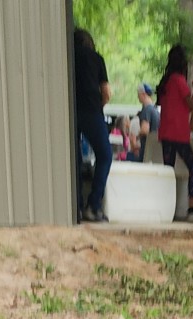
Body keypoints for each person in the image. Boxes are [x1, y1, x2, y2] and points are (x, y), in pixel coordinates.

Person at [157, 45, 193, 221]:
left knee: (168, 170)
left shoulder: (165, 82)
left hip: (165, 132)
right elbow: (191, 104)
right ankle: (191, 208)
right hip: (178, 133)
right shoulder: (179, 81)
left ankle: (166, 208)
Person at [73, 28, 112, 222]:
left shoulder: (68, 57)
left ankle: (76, 206)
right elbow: (106, 93)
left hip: (71, 112)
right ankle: (93, 205)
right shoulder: (96, 59)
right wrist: (99, 105)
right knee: (104, 155)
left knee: (75, 158)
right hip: (91, 110)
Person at [137, 82, 160, 161]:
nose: (138, 97)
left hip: (146, 149)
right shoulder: (155, 110)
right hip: (155, 149)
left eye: (138, 94)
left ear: (143, 94)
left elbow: (145, 130)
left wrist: (137, 136)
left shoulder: (146, 110)